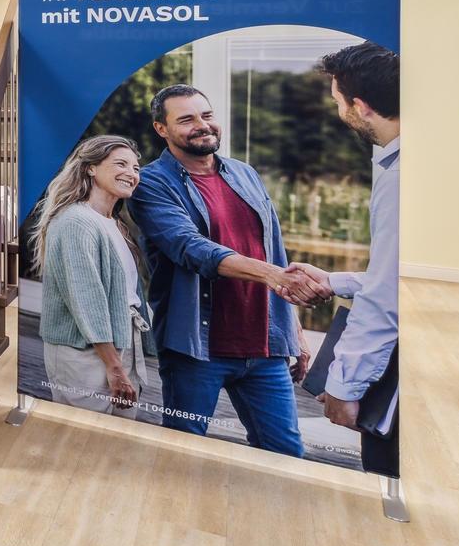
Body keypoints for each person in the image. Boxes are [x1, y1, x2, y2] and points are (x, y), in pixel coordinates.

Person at [134, 84, 331, 456]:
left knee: (286, 453)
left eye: (207, 115)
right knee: (183, 450)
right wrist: (271, 274)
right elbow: (190, 248)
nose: (202, 125)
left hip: (264, 347)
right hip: (197, 348)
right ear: (161, 128)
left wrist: (292, 330)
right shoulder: (152, 184)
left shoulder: (244, 173)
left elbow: (273, 250)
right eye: (187, 119)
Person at [291, 42, 401, 477]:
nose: (340, 113)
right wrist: (335, 281)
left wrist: (344, 385)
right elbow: (398, 274)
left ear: (362, 106)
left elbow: (387, 298)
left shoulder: (400, 178)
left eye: (339, 102)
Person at [32, 136, 150, 417]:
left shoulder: (115, 225)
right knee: (83, 433)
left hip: (119, 345)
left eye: (135, 168)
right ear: (90, 168)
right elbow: (87, 300)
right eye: (121, 164)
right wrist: (114, 366)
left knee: (119, 432)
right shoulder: (76, 221)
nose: (131, 173)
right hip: (83, 352)